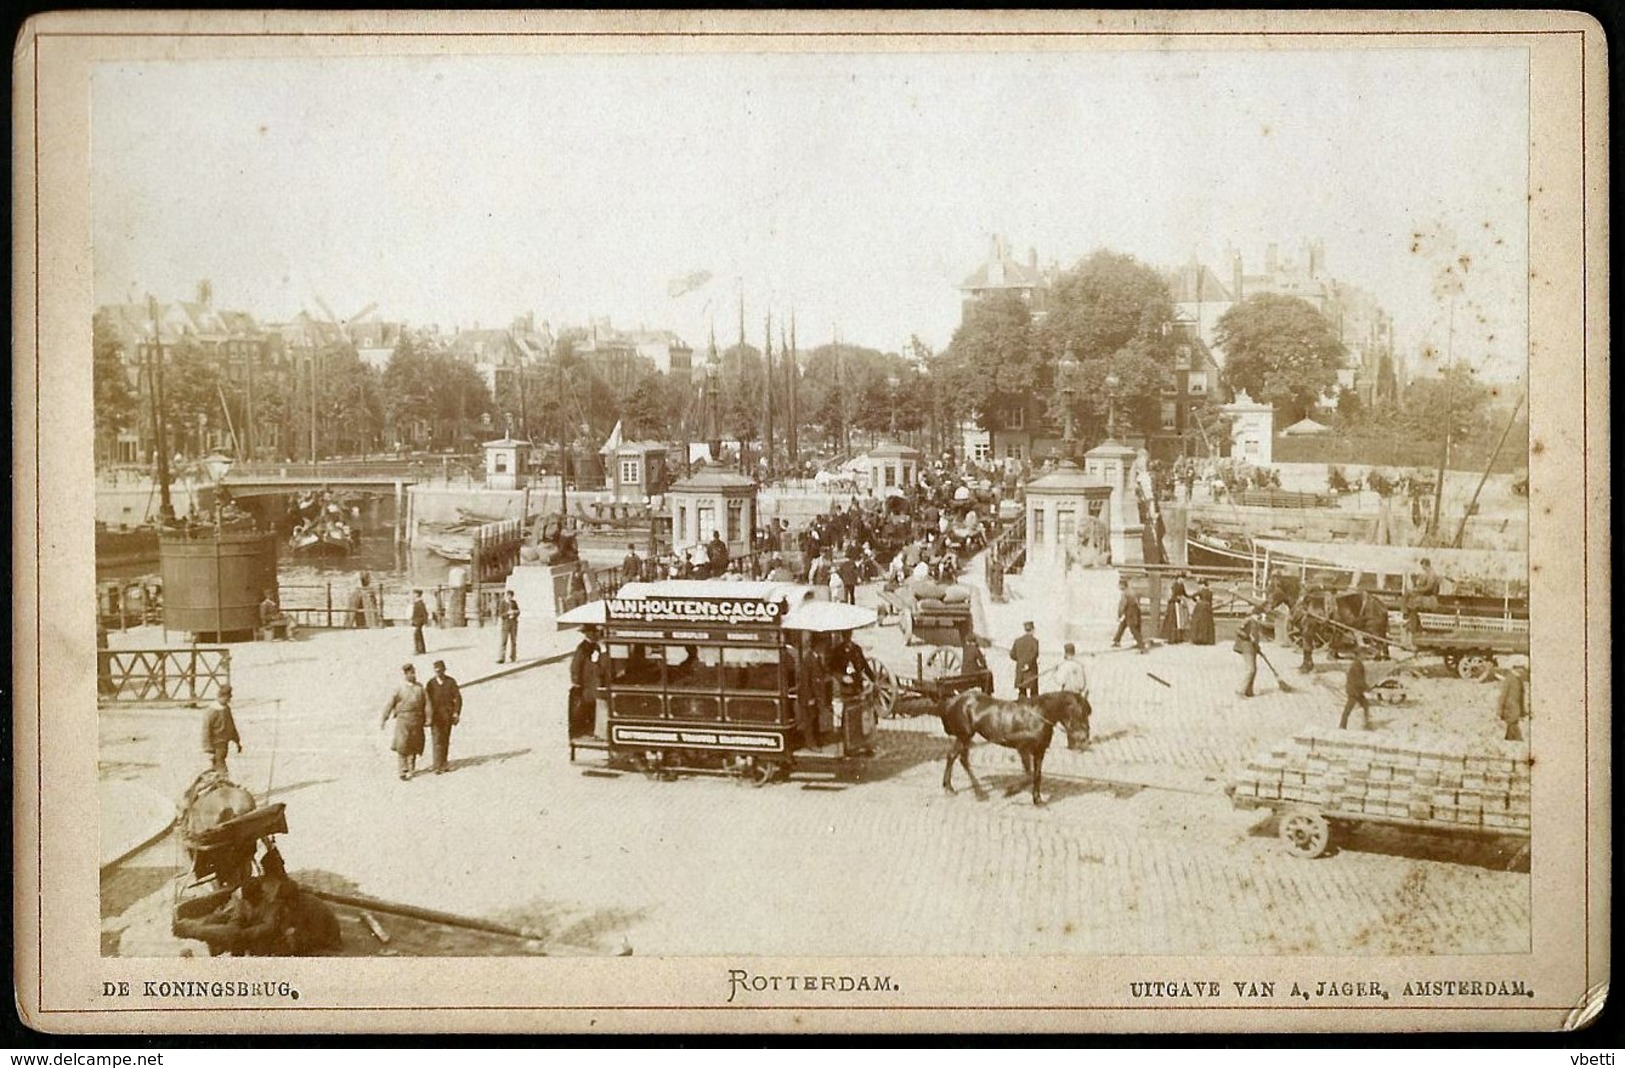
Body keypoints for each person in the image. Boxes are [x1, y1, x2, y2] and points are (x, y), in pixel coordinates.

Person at [826, 631, 878, 755]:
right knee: (848, 715)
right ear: (843, 637)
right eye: (846, 636)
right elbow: (832, 668)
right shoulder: (837, 651)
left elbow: (864, 665)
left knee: (861, 715)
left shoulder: (856, 649)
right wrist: (841, 677)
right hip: (846, 689)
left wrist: (873, 679)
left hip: (857, 686)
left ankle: (863, 744)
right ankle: (848, 745)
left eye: (849, 636)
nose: (848, 639)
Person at [380, 663, 427, 780]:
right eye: (411, 673)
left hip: (416, 720)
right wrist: (384, 717)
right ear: (406, 674)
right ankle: (402, 769)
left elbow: (427, 704)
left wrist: (428, 718)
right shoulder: (399, 689)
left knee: (414, 744)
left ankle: (411, 768)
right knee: (402, 744)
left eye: (414, 673)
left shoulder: (420, 688)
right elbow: (390, 703)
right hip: (403, 721)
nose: (413, 675)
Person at [425, 659, 463, 774]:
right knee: (437, 739)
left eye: (441, 671)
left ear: (444, 670)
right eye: (437, 671)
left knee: (445, 739)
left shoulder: (450, 682)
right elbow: (426, 701)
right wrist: (427, 716)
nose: (439, 673)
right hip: (435, 717)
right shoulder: (430, 684)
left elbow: (458, 698)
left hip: (447, 715)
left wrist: (456, 712)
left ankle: (444, 763)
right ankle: (437, 765)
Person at [569, 625, 604, 739]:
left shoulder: (596, 646)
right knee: (588, 706)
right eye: (594, 633)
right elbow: (576, 665)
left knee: (594, 707)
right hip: (587, 683)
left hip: (594, 681)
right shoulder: (583, 647)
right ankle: (587, 731)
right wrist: (576, 681)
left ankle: (592, 730)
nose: (596, 635)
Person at [203, 684, 242, 775]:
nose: (228, 701)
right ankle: (223, 780)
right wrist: (208, 749)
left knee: (219, 763)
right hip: (216, 744)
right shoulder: (212, 711)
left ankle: (219, 780)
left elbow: (231, 726)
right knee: (220, 764)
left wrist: (237, 741)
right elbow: (206, 730)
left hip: (224, 743)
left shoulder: (226, 709)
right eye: (227, 699)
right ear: (221, 696)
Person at [1404, 557, 1442, 637]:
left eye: (1423, 566)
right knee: (1408, 595)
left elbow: (1429, 588)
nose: (1422, 568)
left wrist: (1418, 590)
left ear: (1425, 565)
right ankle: (1411, 621)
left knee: (1412, 604)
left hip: (1430, 599)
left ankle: (1412, 625)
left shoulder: (1432, 574)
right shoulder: (1428, 573)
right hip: (1427, 597)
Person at [1234, 608, 1265, 698]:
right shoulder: (1248, 620)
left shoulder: (1256, 623)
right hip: (1246, 647)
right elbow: (1238, 630)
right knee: (1250, 669)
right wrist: (1247, 636)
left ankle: (1249, 691)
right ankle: (1241, 691)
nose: (1260, 617)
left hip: (1253, 648)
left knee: (1254, 670)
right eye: (1258, 615)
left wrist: (1258, 648)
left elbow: (1255, 638)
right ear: (1254, 614)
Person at [1339, 648, 1371, 730]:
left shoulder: (1358, 664)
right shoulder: (1357, 665)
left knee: (1365, 705)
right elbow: (1358, 680)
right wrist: (1366, 687)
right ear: (1359, 655)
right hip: (1354, 691)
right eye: (1363, 654)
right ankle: (1342, 726)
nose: (1364, 656)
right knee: (1348, 709)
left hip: (1356, 690)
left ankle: (1367, 724)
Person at [1497, 664, 1530, 741]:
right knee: (1513, 726)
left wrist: (1523, 712)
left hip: (1515, 710)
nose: (1523, 672)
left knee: (1512, 728)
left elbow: (1521, 697)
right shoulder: (1509, 679)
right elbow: (1503, 696)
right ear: (1516, 669)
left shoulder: (1518, 679)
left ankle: (1510, 741)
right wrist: (1499, 712)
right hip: (1510, 710)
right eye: (1522, 670)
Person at [1113, 580, 1147, 653]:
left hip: (1130, 611)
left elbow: (1123, 604)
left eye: (1119, 585)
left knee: (1133, 629)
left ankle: (1142, 646)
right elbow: (1137, 601)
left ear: (1123, 585)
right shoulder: (1132, 591)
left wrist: (1119, 614)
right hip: (1135, 611)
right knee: (1123, 625)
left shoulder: (1125, 593)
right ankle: (1117, 640)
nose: (1119, 587)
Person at [1010, 621, 1040, 701]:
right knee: (1034, 693)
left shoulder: (1017, 641)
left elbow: (1012, 655)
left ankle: (1021, 709)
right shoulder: (1035, 641)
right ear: (1033, 630)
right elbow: (1035, 654)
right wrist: (1028, 664)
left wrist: (1020, 660)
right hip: (1031, 670)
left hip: (1020, 669)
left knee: (1022, 691)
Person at [1160, 573, 1191, 644]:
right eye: (1181, 578)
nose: (1182, 580)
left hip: (1179, 604)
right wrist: (1179, 600)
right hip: (1173, 605)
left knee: (1180, 621)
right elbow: (1171, 597)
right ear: (1178, 578)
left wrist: (1192, 598)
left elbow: (1184, 594)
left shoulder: (1181, 585)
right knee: (1173, 621)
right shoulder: (1174, 585)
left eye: (1183, 579)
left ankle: (1179, 637)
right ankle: (1171, 638)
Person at [1189, 579, 1216, 645]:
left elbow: (1192, 596)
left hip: (1200, 608)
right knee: (1207, 623)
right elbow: (1210, 601)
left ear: (1203, 585)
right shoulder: (1210, 592)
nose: (1200, 586)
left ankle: (1198, 639)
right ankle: (1207, 639)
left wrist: (1196, 601)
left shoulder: (1201, 591)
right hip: (1208, 607)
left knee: (1199, 622)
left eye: (1200, 585)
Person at [497, 590, 521, 663]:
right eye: (508, 595)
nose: (509, 597)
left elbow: (518, 611)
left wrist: (515, 612)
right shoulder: (503, 603)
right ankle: (501, 658)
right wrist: (507, 613)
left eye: (511, 596)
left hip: (513, 623)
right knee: (504, 641)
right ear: (506, 596)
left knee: (513, 641)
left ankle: (513, 656)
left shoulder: (514, 603)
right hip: (505, 623)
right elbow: (500, 614)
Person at [410, 590, 429, 655]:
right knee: (418, 634)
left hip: (419, 621)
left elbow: (425, 613)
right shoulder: (417, 602)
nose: (413, 595)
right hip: (417, 620)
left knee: (416, 635)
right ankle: (421, 650)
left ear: (417, 594)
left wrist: (425, 621)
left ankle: (418, 650)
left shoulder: (420, 603)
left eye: (414, 594)